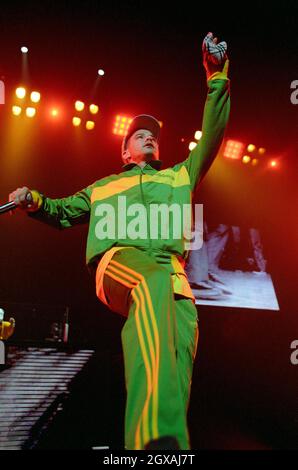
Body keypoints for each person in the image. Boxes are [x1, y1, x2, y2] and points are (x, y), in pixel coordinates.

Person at [9, 32, 230, 450]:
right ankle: (153, 444)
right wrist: (34, 200)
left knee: (176, 370)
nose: (149, 137)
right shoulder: (103, 187)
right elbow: (59, 211)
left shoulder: (180, 175)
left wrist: (216, 76)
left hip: (176, 285)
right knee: (149, 284)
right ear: (124, 151)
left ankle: (168, 454)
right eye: (139, 135)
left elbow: (214, 133)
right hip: (121, 263)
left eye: (154, 134)